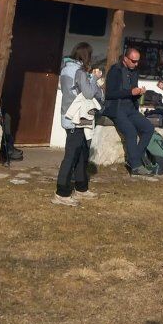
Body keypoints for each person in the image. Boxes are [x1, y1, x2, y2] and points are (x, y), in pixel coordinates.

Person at [54, 43, 103, 205]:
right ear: (85, 55)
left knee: (82, 153)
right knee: (72, 155)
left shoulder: (66, 68)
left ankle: (81, 188)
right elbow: (89, 94)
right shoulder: (79, 71)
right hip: (76, 119)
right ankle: (62, 193)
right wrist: (95, 79)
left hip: (68, 115)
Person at [104, 47, 156, 175]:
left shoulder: (134, 72)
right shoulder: (115, 70)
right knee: (131, 131)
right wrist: (130, 92)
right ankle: (136, 166)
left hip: (131, 109)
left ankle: (134, 158)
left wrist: (139, 93)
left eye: (138, 61)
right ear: (125, 59)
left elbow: (132, 92)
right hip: (117, 108)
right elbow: (109, 94)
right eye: (133, 61)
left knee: (148, 127)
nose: (136, 64)